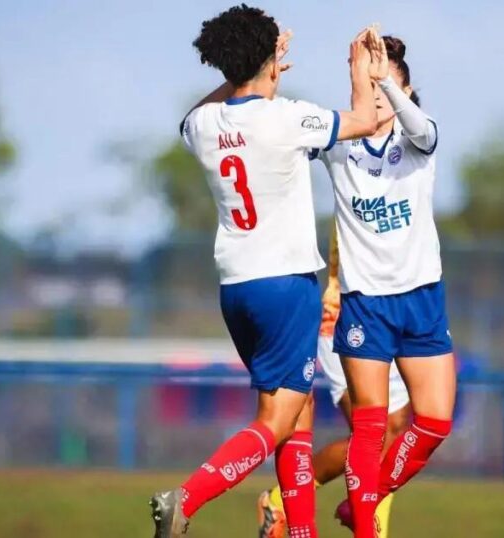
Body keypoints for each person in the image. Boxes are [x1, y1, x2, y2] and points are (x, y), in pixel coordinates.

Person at [150, 5, 383, 537]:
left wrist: (252, 68)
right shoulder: (288, 118)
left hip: (237, 288)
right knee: (276, 421)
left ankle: (299, 530)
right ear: (271, 65)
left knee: (292, 418)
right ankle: (185, 498)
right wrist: (360, 68)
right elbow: (366, 120)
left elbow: (193, 115)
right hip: (288, 285)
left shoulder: (206, 124)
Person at [314, 29, 454, 538]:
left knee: (434, 422)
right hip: (364, 306)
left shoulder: (418, 140)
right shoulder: (335, 142)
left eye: (387, 82)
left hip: (421, 300)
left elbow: (420, 125)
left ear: (406, 91)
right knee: (370, 430)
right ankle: (366, 526)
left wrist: (386, 85)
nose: (376, 89)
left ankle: (361, 504)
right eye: (368, 80)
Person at [256, 229, 412, 538]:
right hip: (346, 318)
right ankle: (279, 502)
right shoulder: (357, 187)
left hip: (391, 317)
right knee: (373, 432)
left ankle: (371, 526)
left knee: (394, 429)